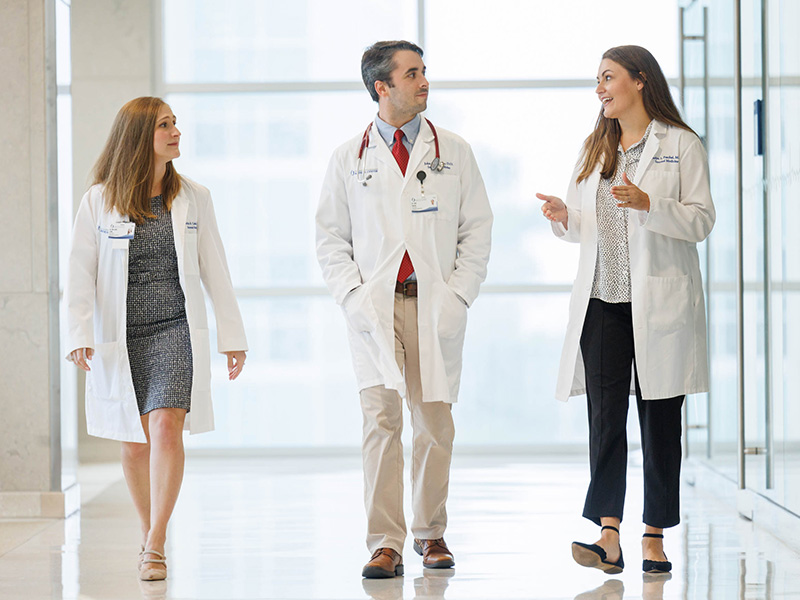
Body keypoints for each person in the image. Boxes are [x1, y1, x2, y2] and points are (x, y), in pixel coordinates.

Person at [316, 41, 492, 579]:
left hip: (431, 303)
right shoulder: (350, 157)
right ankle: (384, 542)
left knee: (435, 421)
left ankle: (431, 531)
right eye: (411, 74)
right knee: (381, 421)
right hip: (374, 309)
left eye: (424, 72)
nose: (424, 82)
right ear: (382, 87)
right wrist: (351, 297)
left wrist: (459, 295)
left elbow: (476, 229)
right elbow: (330, 239)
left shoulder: (453, 151)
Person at [537, 45, 715, 574]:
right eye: (597, 80)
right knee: (605, 420)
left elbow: (702, 220)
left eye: (608, 78)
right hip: (602, 302)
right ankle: (608, 534)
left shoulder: (680, 145)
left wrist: (651, 206)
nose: (600, 88)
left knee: (660, 421)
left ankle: (654, 535)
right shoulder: (596, 147)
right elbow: (583, 231)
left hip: (658, 304)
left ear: (640, 81)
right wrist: (563, 216)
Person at [65, 96, 248, 581]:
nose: (176, 132)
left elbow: (216, 269)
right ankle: (147, 530)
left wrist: (233, 336)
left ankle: (156, 542)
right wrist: (79, 333)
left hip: (173, 329)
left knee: (166, 426)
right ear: (139, 136)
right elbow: (80, 273)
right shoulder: (99, 200)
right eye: (165, 126)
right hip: (119, 336)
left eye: (175, 124)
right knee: (134, 442)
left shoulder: (194, 197)